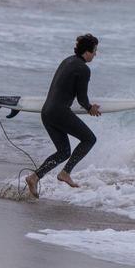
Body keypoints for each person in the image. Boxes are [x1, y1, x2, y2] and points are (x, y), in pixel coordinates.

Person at [24, 34, 102, 198]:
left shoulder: (67, 61)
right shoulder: (83, 69)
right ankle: (66, 172)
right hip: (60, 112)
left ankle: (34, 177)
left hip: (47, 112)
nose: (96, 54)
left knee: (63, 152)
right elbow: (82, 99)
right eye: (95, 51)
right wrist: (90, 108)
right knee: (89, 139)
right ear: (87, 51)